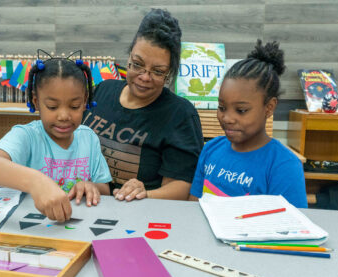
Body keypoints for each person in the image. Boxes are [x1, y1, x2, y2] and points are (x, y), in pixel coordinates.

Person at [0, 52, 112, 222]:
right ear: (36, 102)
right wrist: (36, 182)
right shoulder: (27, 136)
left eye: (74, 106)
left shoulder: (88, 138)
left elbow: (104, 188)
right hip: (31, 226)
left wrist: (91, 187)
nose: (63, 116)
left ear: (84, 102)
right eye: (52, 107)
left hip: (76, 225)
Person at [83, 9, 204, 202]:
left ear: (169, 72)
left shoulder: (180, 114)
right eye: (137, 64)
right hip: (87, 202)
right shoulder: (103, 91)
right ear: (129, 56)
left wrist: (145, 193)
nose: (144, 77)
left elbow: (181, 188)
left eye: (157, 71)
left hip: (143, 214)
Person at [189, 40, 308, 208]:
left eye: (241, 110)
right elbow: (194, 206)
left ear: (269, 107)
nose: (227, 118)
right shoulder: (210, 149)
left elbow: (291, 226)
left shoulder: (283, 165)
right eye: (222, 107)